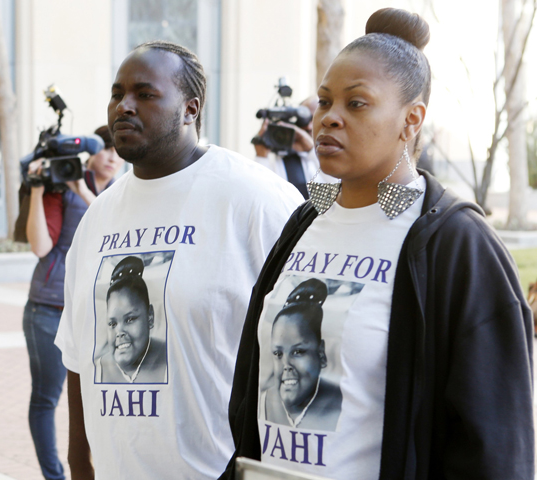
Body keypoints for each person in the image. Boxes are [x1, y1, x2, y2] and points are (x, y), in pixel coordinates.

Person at [221, 8, 534, 480]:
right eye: (324, 102)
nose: (329, 118)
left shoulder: (457, 245)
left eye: (357, 103)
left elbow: (495, 444)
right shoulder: (304, 222)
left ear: (412, 119)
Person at [54, 40, 304, 480]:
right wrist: (79, 464)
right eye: (117, 94)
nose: (124, 106)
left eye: (145, 94)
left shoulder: (255, 200)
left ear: (191, 108)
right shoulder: (98, 217)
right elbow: (77, 354)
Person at [21, 125, 122, 480]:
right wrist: (37, 190)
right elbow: (40, 247)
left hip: (98, 315)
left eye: (116, 150)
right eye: (105, 149)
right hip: (48, 307)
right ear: (89, 154)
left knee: (101, 400)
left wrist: (81, 188)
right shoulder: (58, 189)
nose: (112, 157)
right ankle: (54, 476)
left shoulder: (123, 194)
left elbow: (115, 232)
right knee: (46, 399)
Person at [263, 278, 341, 431]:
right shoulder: (265, 401)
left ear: (321, 353)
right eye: (278, 353)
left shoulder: (341, 403)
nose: (286, 365)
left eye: (298, 352)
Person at [95, 255, 167, 383]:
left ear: (150, 317)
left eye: (130, 319)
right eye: (112, 323)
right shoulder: (100, 367)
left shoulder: (169, 358)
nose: (119, 332)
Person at [253, 96, 324, 199]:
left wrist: (311, 150)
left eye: (315, 119)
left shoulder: (321, 159)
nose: (309, 126)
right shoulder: (272, 162)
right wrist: (261, 156)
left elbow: (335, 186)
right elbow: (259, 195)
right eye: (305, 120)